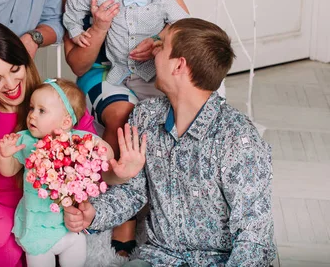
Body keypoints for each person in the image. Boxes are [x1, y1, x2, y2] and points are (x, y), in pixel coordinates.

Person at [64, 18, 277, 266]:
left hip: (217, 261)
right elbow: (133, 192)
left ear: (178, 65)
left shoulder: (238, 140)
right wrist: (94, 213)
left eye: (161, 46)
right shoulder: (145, 116)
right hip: (159, 256)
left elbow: (255, 239)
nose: (153, 51)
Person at [63, 0, 189, 255]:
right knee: (124, 117)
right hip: (104, 70)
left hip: (150, 63)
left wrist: (158, 41)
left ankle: (175, 203)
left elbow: (183, 23)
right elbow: (78, 64)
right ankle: (123, 219)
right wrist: (100, 27)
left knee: (180, 109)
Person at [0, 21, 98, 267]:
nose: (11, 85)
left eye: (14, 69)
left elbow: (95, 171)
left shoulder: (61, 104)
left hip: (46, 216)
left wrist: (87, 207)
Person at [0, 78, 145, 267]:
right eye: (31, 108)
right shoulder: (25, 141)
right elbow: (8, 171)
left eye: (41, 111)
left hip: (69, 225)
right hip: (37, 226)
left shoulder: (78, 140)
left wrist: (114, 160)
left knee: (76, 257)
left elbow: (104, 151)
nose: (32, 116)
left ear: (66, 121)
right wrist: (5, 155)